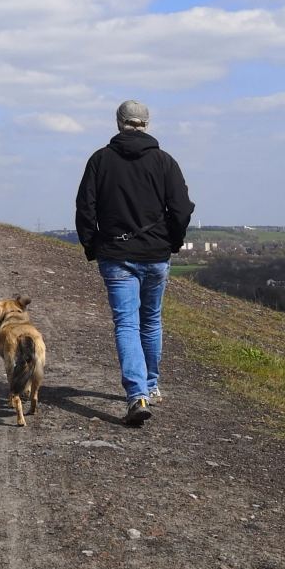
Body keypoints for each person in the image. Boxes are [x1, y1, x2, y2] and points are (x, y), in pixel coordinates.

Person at [75, 99, 194, 426]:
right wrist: (173, 241)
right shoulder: (165, 162)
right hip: (156, 255)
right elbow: (182, 208)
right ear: (147, 123)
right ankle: (151, 386)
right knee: (151, 320)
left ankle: (136, 394)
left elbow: (86, 209)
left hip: (116, 256)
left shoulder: (100, 161)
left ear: (119, 122)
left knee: (126, 323)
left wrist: (91, 245)